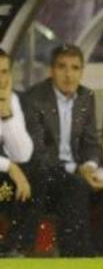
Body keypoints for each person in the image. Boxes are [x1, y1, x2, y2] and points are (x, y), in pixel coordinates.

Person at [21, 44, 103, 257]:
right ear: (51, 70)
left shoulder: (85, 97)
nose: (69, 75)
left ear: (82, 71)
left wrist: (90, 167)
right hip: (45, 177)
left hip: (79, 174)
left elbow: (91, 142)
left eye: (75, 68)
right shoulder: (34, 99)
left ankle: (102, 251)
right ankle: (76, 254)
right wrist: (77, 170)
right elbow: (38, 152)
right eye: (62, 67)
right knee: (76, 185)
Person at [0, 48, 35, 256]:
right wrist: (10, 166)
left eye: (5, 72)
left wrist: (6, 113)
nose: (1, 79)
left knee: (35, 173)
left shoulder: (11, 100)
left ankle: (15, 251)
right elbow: (15, 163)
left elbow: (23, 155)